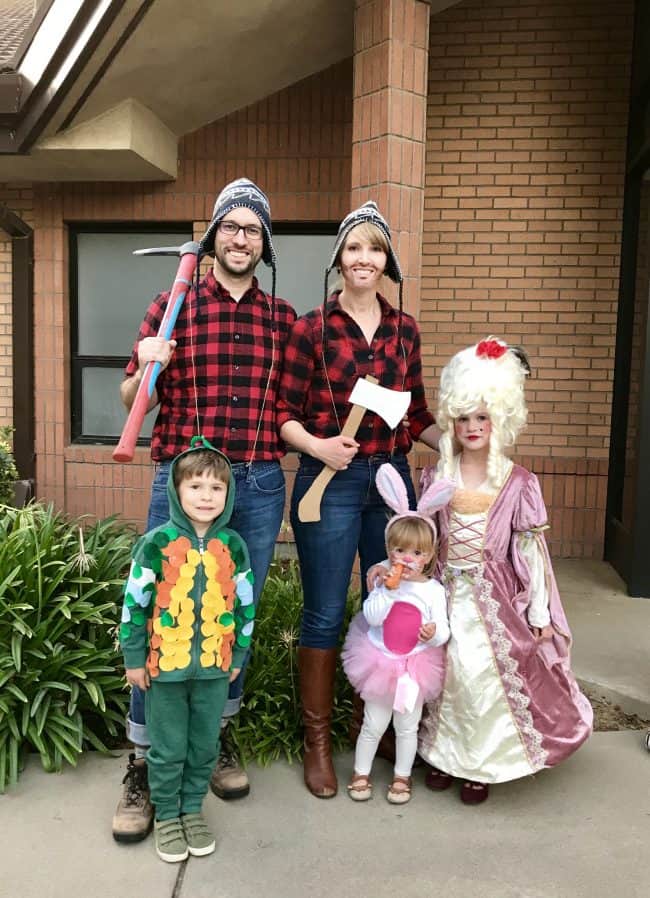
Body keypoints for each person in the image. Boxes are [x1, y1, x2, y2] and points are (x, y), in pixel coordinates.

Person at [113, 178, 296, 842]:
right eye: (231, 225)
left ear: (264, 242)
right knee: (165, 611)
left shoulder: (282, 318)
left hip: (254, 482)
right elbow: (132, 395)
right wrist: (146, 365)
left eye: (253, 229)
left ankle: (216, 738)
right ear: (214, 233)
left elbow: (294, 409)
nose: (241, 238)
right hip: (181, 477)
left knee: (230, 611)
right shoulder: (174, 305)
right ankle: (142, 762)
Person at [276, 201, 440, 799]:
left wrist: (464, 443)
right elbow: (281, 417)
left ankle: (377, 730)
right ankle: (317, 742)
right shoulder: (311, 329)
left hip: (392, 482)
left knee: (394, 606)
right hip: (330, 485)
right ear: (339, 259)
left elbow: (415, 413)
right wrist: (320, 446)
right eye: (354, 248)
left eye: (374, 248)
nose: (364, 258)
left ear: (387, 260)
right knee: (323, 611)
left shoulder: (405, 330)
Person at [415, 337, 593, 804]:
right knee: (445, 675)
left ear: (500, 419)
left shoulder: (519, 482)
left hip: (496, 600)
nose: (472, 427)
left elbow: (531, 552)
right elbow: (426, 539)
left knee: (480, 677)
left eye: (482, 417)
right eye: (463, 417)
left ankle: (480, 764)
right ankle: (441, 755)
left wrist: (538, 612)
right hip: (444, 592)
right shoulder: (437, 476)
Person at [120, 439, 254, 862]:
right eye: (196, 486)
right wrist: (134, 659)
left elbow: (247, 605)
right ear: (176, 490)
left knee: (203, 746)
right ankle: (166, 817)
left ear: (228, 494)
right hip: (165, 670)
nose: (206, 496)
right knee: (168, 747)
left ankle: (192, 810)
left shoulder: (233, 546)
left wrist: (238, 655)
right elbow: (134, 604)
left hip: (215, 668)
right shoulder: (156, 544)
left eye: (216, 488)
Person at [341, 463, 453, 804]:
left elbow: (443, 633)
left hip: (414, 668)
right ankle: (361, 772)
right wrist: (387, 590)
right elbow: (372, 618)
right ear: (390, 550)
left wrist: (431, 633)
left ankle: (402, 778)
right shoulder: (382, 582)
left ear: (429, 555)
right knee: (373, 724)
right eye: (400, 551)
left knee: (407, 726)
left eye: (417, 553)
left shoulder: (433, 590)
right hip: (380, 662)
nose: (407, 558)